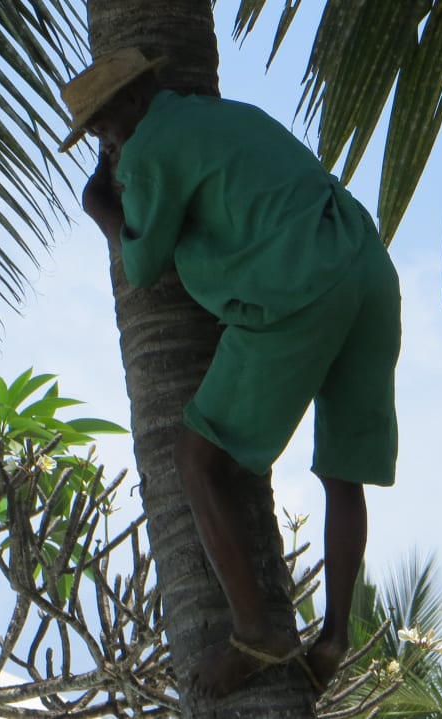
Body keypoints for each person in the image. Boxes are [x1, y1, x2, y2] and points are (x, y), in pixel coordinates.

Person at [61, 47, 401, 698]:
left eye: (106, 124)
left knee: (196, 459)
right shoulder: (223, 115)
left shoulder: (151, 143)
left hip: (296, 283)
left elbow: (144, 260)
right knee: (342, 471)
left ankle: (257, 632)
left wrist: (98, 200)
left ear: (135, 99)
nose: (108, 140)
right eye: (98, 133)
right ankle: (331, 637)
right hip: (363, 263)